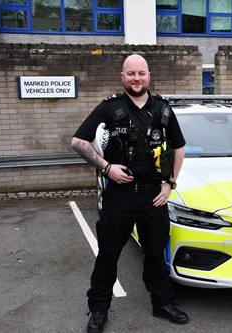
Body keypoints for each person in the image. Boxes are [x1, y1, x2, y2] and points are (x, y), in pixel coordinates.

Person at [71, 54, 188, 333]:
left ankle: (162, 304)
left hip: (153, 195)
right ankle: (99, 309)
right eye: (131, 74)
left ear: (149, 76)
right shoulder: (109, 108)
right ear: (122, 77)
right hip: (119, 195)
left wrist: (169, 183)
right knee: (108, 254)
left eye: (141, 73)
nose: (137, 78)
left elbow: (179, 147)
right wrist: (107, 167)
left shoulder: (163, 108)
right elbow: (78, 141)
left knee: (155, 254)